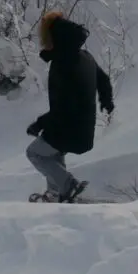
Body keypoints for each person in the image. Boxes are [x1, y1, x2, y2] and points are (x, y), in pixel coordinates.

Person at [26, 10, 115, 202]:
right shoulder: (84, 56)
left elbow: (63, 106)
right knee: (53, 151)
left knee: (35, 153)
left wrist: (40, 124)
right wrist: (107, 102)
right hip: (83, 128)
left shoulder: (63, 64)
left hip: (69, 128)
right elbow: (104, 80)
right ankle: (55, 194)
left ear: (53, 37)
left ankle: (69, 186)